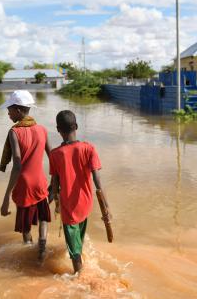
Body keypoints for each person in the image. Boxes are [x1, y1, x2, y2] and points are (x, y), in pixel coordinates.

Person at [49, 110, 111, 273]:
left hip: (69, 208)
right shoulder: (89, 148)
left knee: (74, 252)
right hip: (86, 204)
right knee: (79, 240)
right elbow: (97, 181)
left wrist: (55, 203)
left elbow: (55, 184)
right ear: (76, 126)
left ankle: (79, 277)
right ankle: (81, 266)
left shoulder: (55, 154)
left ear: (58, 129)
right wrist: (106, 207)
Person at [0, 90, 52, 259]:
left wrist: (6, 196)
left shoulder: (14, 132)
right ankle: (42, 244)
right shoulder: (42, 130)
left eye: (10, 109)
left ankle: (29, 253)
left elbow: (17, 164)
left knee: (25, 226)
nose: (8, 113)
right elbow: (53, 156)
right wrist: (56, 182)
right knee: (43, 216)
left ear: (19, 110)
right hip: (40, 182)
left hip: (24, 185)